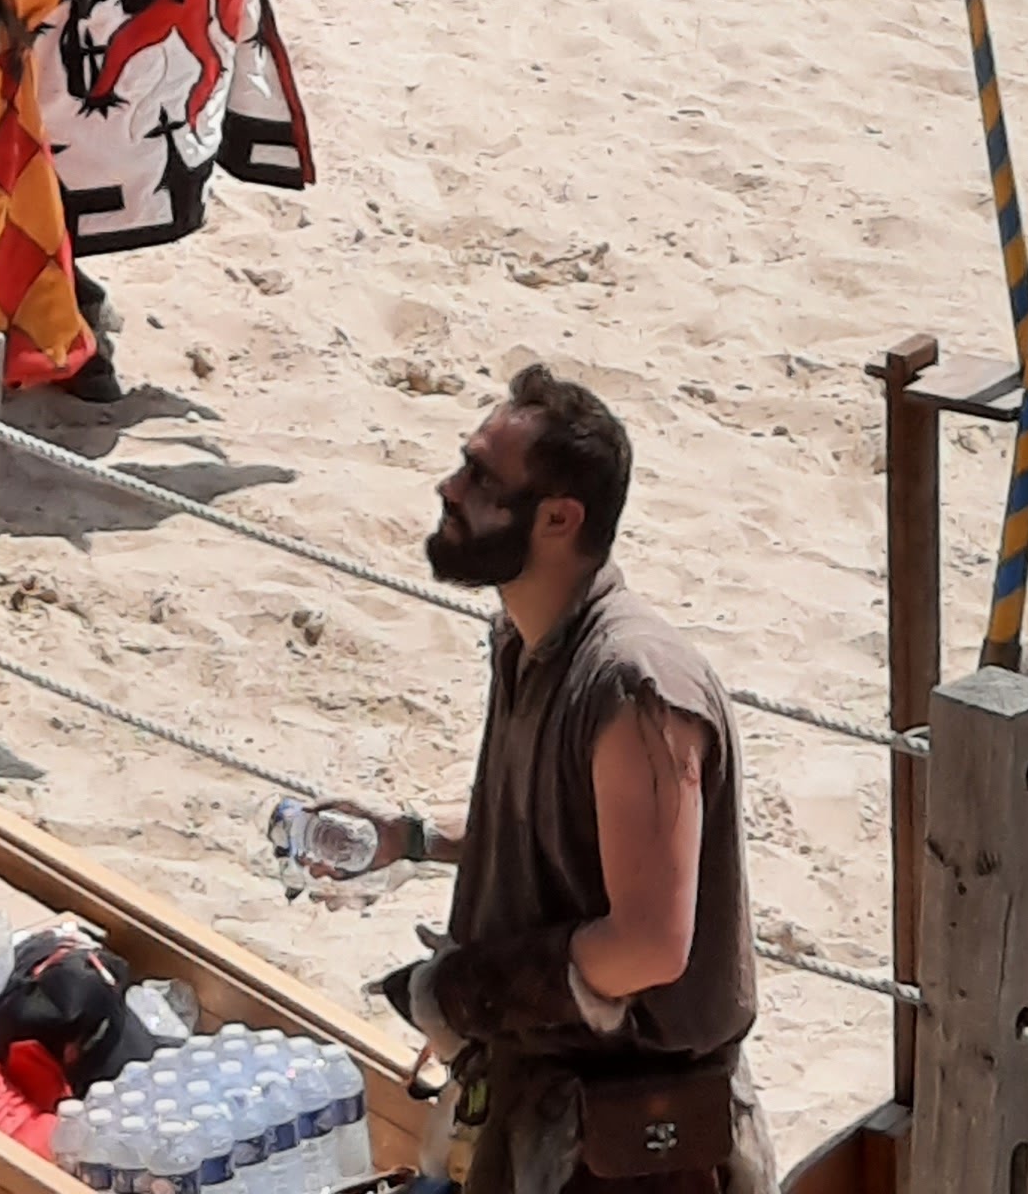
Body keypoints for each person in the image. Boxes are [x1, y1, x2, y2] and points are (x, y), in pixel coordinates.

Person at [313, 366, 769, 1194]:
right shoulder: (525, 643)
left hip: (631, 1149)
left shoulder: (636, 688)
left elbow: (648, 945)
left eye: (481, 477)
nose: (449, 489)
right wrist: (409, 838)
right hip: (540, 1110)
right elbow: (562, 836)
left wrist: (473, 992)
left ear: (559, 518)